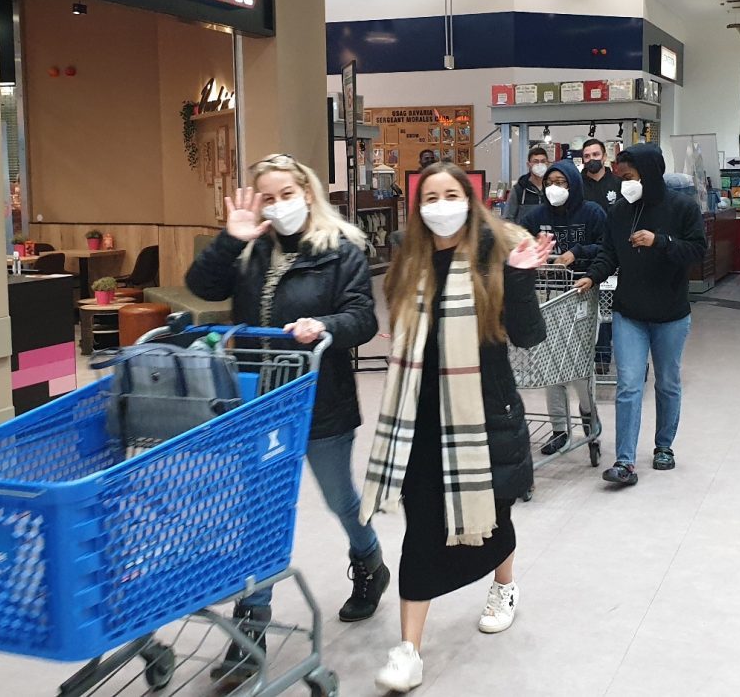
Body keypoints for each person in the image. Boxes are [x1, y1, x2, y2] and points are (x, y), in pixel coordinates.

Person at [185, 154, 386, 683]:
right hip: (260, 401)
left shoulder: (342, 249)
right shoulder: (250, 250)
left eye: (286, 194)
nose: (278, 206)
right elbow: (202, 287)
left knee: (338, 496)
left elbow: (362, 317)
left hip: (321, 400)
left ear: (308, 191)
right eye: (267, 197)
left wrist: (321, 325)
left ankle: (369, 561)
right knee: (263, 510)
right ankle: (251, 625)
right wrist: (231, 239)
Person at [363, 163, 551, 694]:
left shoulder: (496, 254)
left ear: (470, 202)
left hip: (484, 410)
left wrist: (518, 279)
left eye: (452, 194)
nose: (441, 204)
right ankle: (409, 649)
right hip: (419, 418)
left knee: (495, 511)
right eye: (431, 196)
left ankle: (504, 586)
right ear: (418, 207)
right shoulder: (409, 260)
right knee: (422, 528)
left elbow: (529, 336)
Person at [574, 144, 706, 486]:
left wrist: (659, 241)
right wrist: (593, 275)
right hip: (629, 311)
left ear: (648, 173)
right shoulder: (620, 211)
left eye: (630, 177)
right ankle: (625, 460)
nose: (625, 184)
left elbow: (697, 250)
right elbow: (609, 252)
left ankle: (664, 446)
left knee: (667, 382)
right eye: (622, 177)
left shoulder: (682, 208)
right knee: (629, 386)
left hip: (671, 314)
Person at [518, 158, 607, 454]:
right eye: (550, 183)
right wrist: (533, 256)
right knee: (550, 364)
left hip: (581, 294)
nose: (555, 188)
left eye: (561, 183)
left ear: (573, 184)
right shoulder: (535, 216)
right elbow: (518, 246)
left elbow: (608, 247)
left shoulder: (592, 213)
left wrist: (576, 253)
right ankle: (558, 429)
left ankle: (587, 415)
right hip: (546, 296)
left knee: (580, 366)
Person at [503, 145, 551, 221]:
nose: (540, 164)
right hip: (524, 232)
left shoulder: (553, 189)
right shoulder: (518, 190)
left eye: (543, 161)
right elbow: (508, 218)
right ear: (528, 164)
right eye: (535, 161)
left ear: (547, 164)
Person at [579, 137, 622, 211]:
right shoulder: (577, 185)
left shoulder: (619, 184)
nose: (591, 159)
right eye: (587, 156)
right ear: (583, 160)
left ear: (604, 157)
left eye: (595, 154)